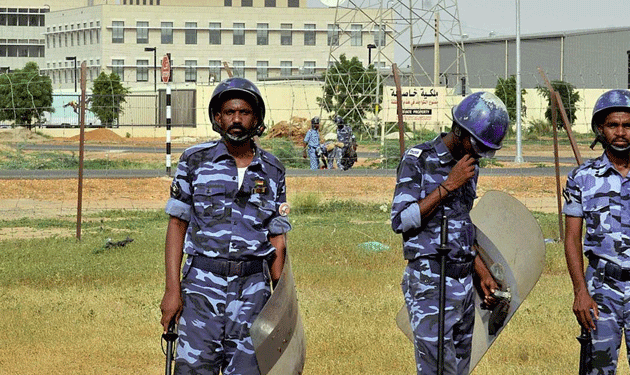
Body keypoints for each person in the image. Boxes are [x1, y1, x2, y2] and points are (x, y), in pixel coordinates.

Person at [159, 77, 292, 375]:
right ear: (218, 118)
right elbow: (177, 226)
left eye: (244, 112)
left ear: (256, 118)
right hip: (201, 288)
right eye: (229, 112)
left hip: (253, 292)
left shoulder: (272, 170)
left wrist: (281, 302)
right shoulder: (194, 162)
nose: (236, 119)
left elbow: (277, 237)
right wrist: (172, 291)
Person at [390, 91, 509, 374]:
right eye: (477, 145)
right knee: (436, 370)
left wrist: (481, 272)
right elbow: (401, 221)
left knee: (458, 370)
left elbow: (461, 223)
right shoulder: (418, 159)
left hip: (463, 283)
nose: (479, 154)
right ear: (458, 130)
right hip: (431, 281)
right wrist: (448, 185)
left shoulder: (470, 165)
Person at [564, 89, 630, 374]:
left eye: (627, 125)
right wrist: (581, 291)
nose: (621, 132)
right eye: (613, 125)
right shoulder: (581, 178)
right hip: (601, 291)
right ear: (600, 129)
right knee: (598, 370)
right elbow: (571, 239)